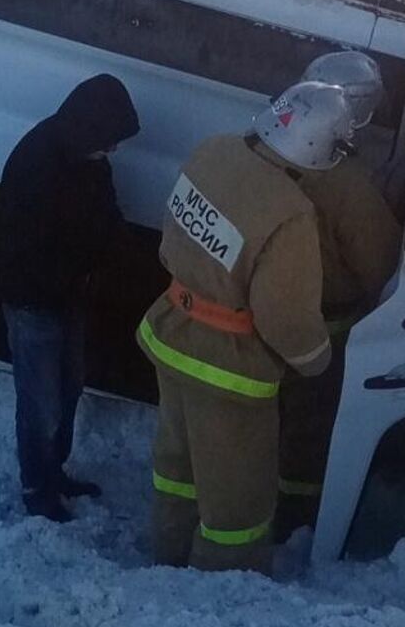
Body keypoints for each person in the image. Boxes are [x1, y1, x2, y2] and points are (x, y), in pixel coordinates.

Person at [140, 81, 348, 574]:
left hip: (171, 334)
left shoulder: (213, 151)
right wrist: (317, 360)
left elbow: (172, 237)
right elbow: (285, 315)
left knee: (178, 466)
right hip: (227, 372)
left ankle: (165, 558)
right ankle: (221, 587)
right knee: (237, 501)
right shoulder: (291, 213)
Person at [0, 73, 141, 522]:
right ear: (90, 128)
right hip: (34, 301)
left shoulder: (88, 158)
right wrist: (85, 266)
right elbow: (39, 244)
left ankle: (54, 470)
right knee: (40, 399)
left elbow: (103, 216)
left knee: (68, 387)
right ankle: (36, 486)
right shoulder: (36, 164)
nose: (114, 150)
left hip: (69, 296)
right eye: (110, 139)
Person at [275, 51, 402, 537]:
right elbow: (381, 262)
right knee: (310, 424)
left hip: (263, 312)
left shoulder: (263, 149)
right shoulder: (348, 184)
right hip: (325, 324)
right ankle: (296, 515)